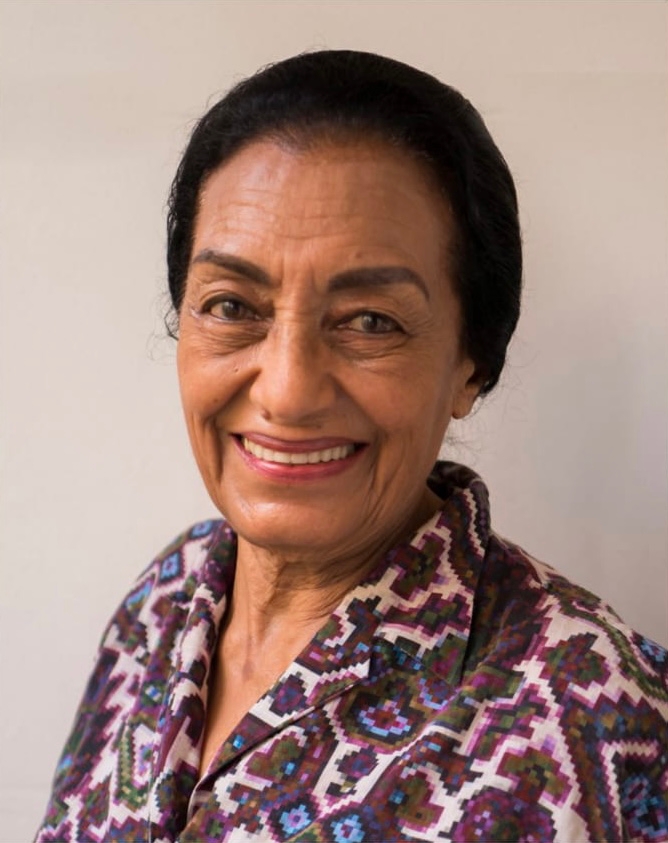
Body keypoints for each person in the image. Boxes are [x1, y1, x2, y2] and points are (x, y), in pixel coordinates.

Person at [35, 50, 667, 843]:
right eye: (232, 305)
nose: (288, 391)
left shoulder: (601, 712)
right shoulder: (163, 603)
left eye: (371, 321)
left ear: (472, 363)